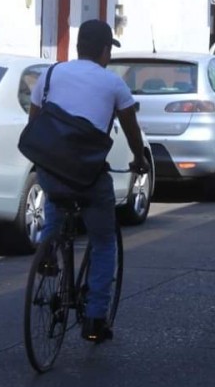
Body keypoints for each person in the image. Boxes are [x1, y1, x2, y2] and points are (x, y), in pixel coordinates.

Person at [28, 19, 150, 342]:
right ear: (105, 50)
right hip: (87, 174)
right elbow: (131, 129)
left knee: (56, 196)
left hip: (51, 168)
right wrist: (139, 160)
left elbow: (34, 120)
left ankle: (49, 252)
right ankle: (96, 319)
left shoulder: (51, 74)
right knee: (104, 239)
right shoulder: (113, 85)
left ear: (77, 47)